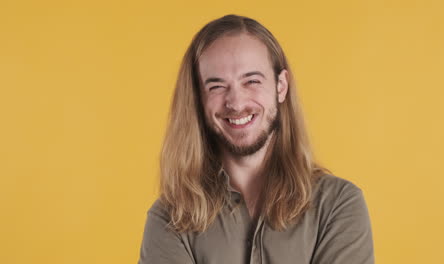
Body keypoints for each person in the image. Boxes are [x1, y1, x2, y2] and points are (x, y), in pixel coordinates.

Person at [138, 14, 374, 264]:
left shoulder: (338, 205)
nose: (236, 103)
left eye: (251, 81)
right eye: (216, 86)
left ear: (280, 86)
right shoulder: (169, 218)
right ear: (198, 98)